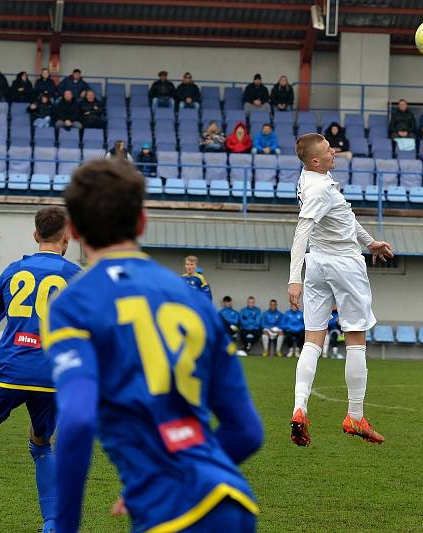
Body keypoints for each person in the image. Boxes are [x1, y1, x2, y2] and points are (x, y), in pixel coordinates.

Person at [45, 159, 263, 532]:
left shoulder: (73, 303)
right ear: (142, 222)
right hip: (234, 505)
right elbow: (246, 432)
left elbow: (78, 420)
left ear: (75, 231)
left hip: (172, 515)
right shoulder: (190, 298)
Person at [0, 207, 81, 533]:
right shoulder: (77, 277)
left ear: (36, 235)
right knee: (41, 445)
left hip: (11, 370)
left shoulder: (13, 271)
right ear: (66, 237)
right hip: (52, 376)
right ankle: (51, 525)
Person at [288, 133, 394, 447]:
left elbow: (343, 214)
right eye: (327, 150)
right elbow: (301, 231)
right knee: (356, 339)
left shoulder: (312, 177)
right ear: (316, 160)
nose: (334, 151)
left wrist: (369, 242)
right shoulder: (320, 187)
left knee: (313, 339)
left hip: (318, 264)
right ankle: (355, 416)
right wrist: (293, 279)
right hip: (343, 264)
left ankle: (299, 407)